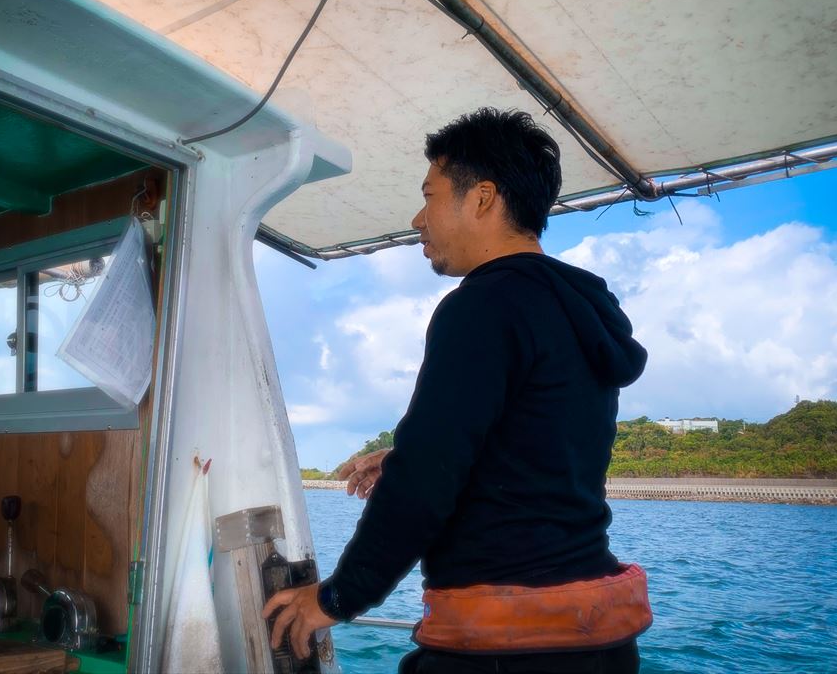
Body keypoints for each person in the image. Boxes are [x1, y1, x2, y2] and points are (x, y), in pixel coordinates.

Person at [263, 108, 651, 673]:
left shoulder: (483, 305)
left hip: (510, 650)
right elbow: (535, 451)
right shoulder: (576, 312)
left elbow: (430, 477)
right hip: (598, 641)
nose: (419, 218)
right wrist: (402, 459)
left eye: (430, 194)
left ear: (483, 198)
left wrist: (337, 597)